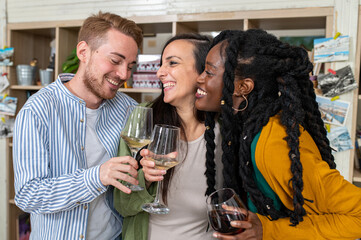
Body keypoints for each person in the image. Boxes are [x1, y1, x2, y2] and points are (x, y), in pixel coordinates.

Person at [195, 29, 361, 239]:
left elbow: (358, 214)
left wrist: (268, 229)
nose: (199, 79)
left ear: (243, 87)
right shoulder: (248, 127)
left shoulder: (273, 141)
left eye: (209, 72)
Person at [13, 12, 143, 240]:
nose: (124, 75)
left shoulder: (129, 109)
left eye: (130, 66)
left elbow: (134, 179)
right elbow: (28, 195)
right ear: (83, 52)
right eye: (115, 60)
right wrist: (96, 177)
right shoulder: (38, 110)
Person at [114, 33, 224, 240]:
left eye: (172, 63)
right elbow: (122, 205)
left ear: (203, 72)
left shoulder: (223, 131)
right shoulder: (145, 118)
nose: (159, 73)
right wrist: (144, 180)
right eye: (161, 64)